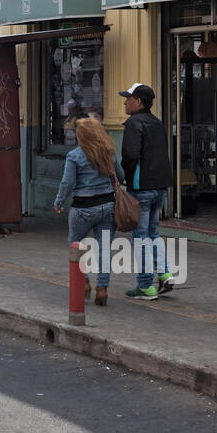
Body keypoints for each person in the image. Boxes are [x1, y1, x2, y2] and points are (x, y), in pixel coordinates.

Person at [54, 117, 125, 307]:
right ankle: (102, 288)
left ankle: (83, 283)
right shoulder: (108, 152)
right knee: (104, 249)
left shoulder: (75, 156)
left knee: (76, 246)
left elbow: (67, 183)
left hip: (82, 209)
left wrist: (59, 201)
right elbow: (121, 175)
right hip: (107, 206)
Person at [119, 82, 176, 300]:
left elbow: (131, 155)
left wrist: (123, 176)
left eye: (128, 98)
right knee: (152, 233)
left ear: (139, 101)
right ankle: (165, 273)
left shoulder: (134, 123)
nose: (125, 102)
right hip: (159, 188)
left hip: (140, 188)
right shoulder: (157, 123)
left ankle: (145, 285)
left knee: (140, 237)